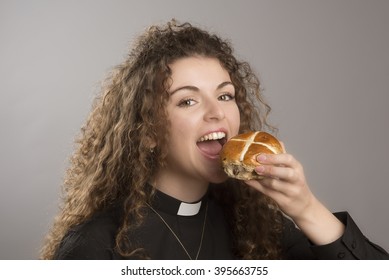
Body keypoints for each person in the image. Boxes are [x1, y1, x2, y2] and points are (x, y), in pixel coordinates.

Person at [40, 20, 388, 260]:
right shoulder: (96, 244)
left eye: (225, 96)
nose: (217, 113)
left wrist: (308, 210)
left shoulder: (258, 226)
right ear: (146, 132)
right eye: (188, 100)